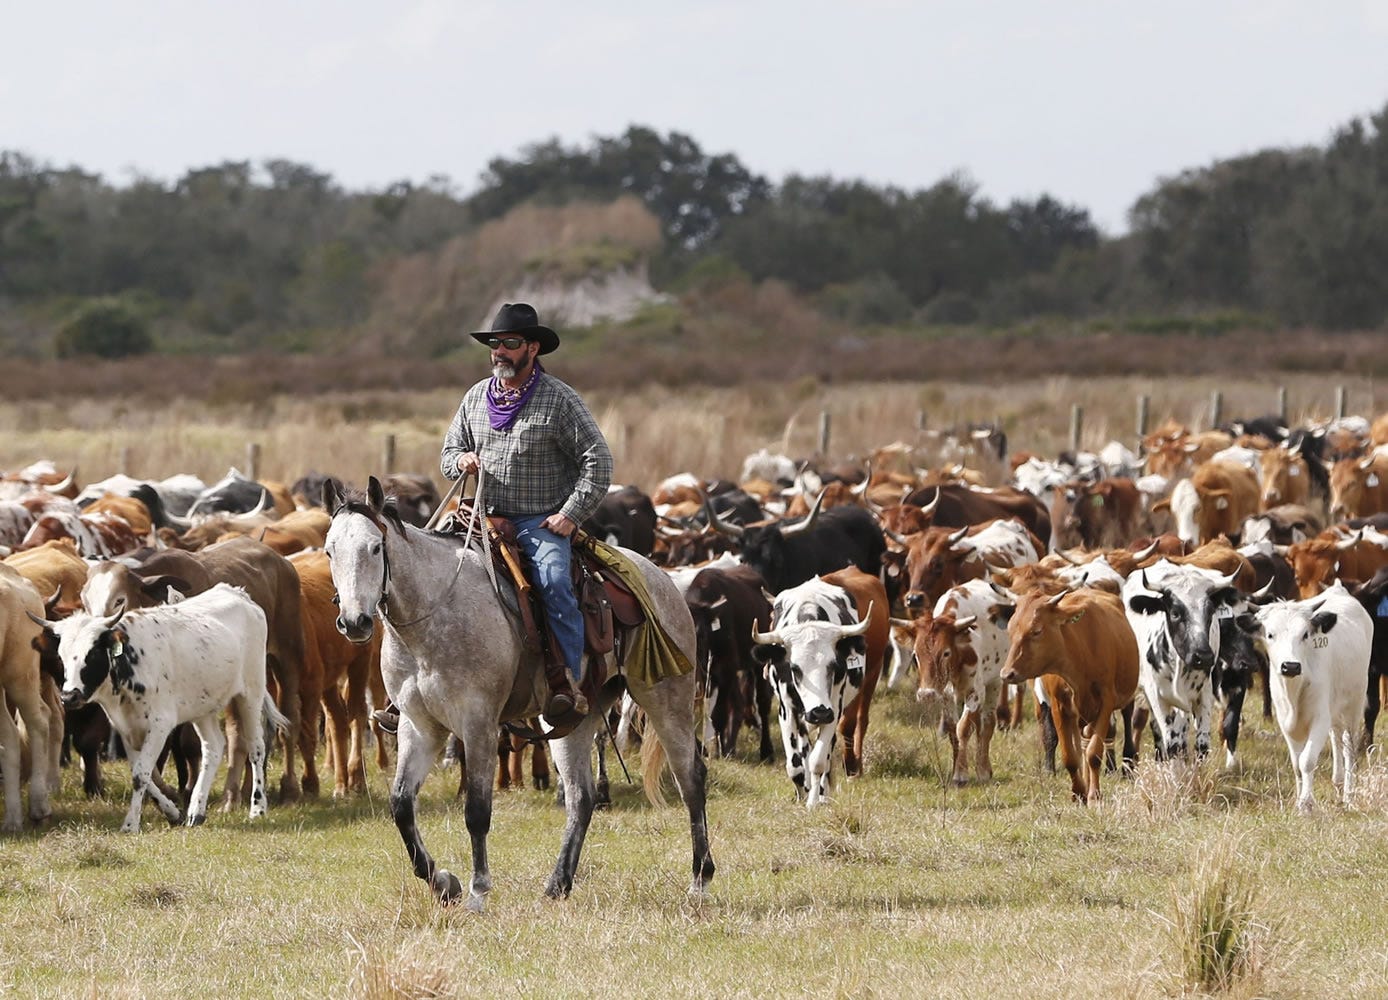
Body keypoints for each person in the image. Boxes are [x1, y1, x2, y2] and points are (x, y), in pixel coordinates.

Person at [440, 302, 613, 719]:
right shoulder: (476, 397)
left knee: (554, 581)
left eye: (510, 343)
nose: (500, 351)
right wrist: (461, 460)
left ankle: (567, 683)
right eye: (495, 344)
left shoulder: (559, 400)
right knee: (429, 570)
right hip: (480, 516)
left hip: (539, 520)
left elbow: (599, 461)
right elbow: (447, 454)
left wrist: (570, 515)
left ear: (532, 348)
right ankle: (417, 688)